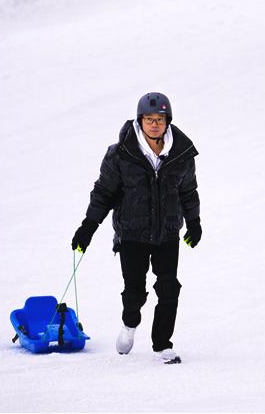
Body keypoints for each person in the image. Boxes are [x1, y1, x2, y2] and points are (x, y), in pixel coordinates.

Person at [71, 92, 201, 364]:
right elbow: (104, 192)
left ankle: (162, 345)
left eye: (160, 119)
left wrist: (194, 222)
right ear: (140, 120)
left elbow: (188, 192)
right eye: (149, 119)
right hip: (132, 232)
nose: (154, 124)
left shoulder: (181, 153)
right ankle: (129, 325)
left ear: (168, 121)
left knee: (169, 288)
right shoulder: (121, 153)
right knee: (134, 291)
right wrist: (88, 227)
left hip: (167, 233)